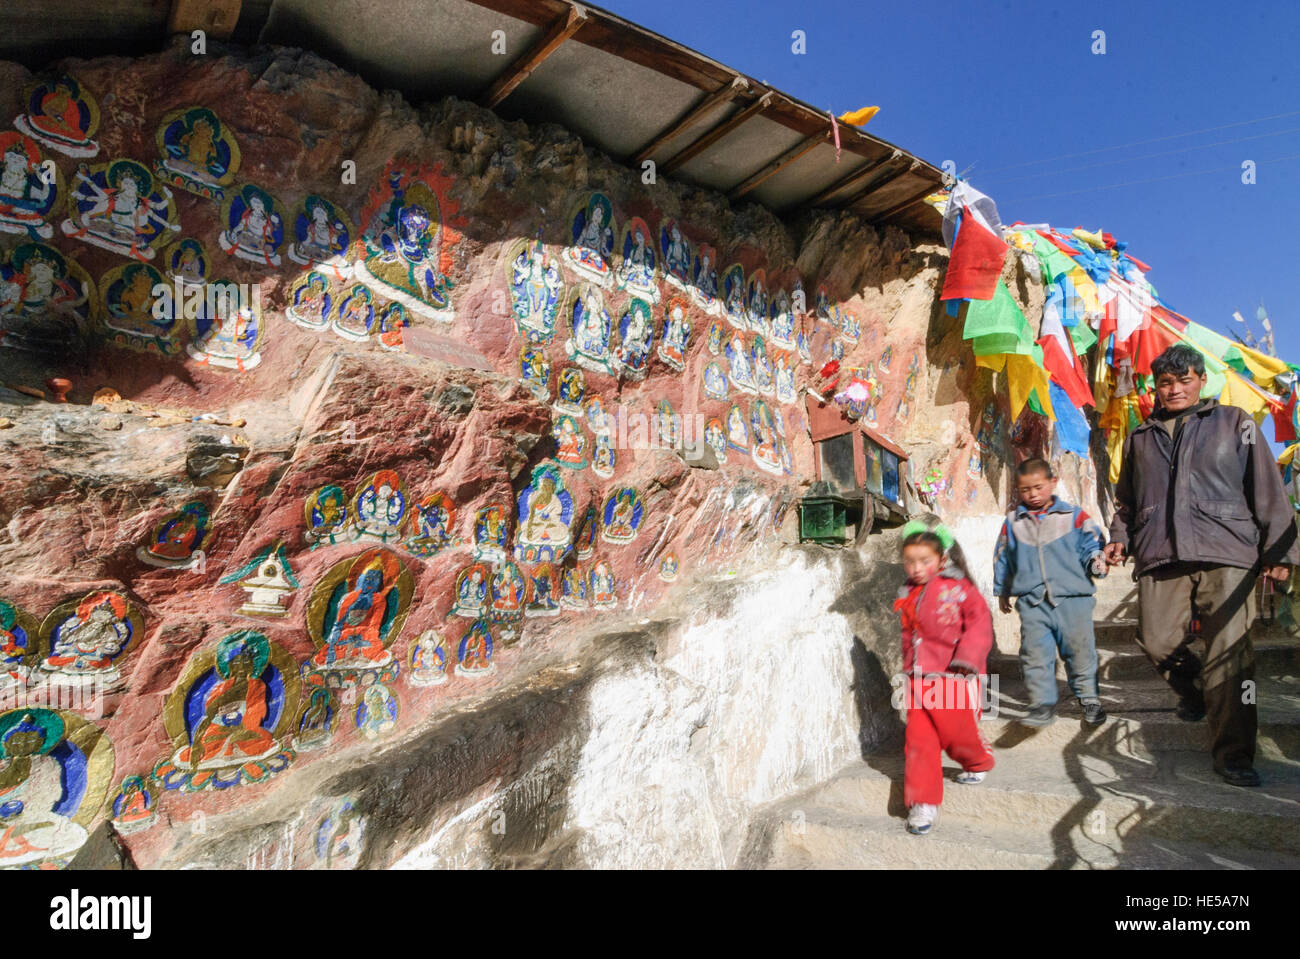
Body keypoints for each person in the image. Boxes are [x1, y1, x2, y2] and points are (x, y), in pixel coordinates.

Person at [1105, 344, 1298, 787]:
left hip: (1228, 552)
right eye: (1166, 383)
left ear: (1201, 381)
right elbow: (1127, 502)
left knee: (1230, 657)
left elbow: (1266, 487)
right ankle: (1197, 691)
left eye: (1184, 380)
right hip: (1161, 551)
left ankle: (1234, 754)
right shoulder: (1139, 437)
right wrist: (1119, 538)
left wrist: (1280, 552)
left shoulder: (1236, 423)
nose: (1174, 389)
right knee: (1155, 640)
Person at [893, 519, 995, 835]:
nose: (917, 568)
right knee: (918, 742)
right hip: (918, 680)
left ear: (941, 560)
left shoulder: (958, 589)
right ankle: (923, 803)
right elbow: (910, 636)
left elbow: (979, 624)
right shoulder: (907, 593)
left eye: (925, 561)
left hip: (951, 676)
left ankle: (977, 760)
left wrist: (967, 659)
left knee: (956, 734)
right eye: (910, 561)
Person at [994, 458, 1109, 727]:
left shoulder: (1074, 516)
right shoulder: (1013, 522)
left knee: (1080, 651)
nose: (1032, 494)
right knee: (1034, 654)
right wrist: (1002, 590)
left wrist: (1097, 562)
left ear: (1052, 483)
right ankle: (1041, 706)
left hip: (1074, 600)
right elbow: (1002, 556)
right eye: (1025, 490)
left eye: (1038, 487)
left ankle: (1089, 699)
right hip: (1032, 602)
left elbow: (1093, 544)